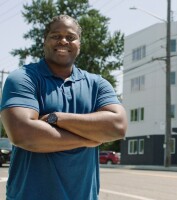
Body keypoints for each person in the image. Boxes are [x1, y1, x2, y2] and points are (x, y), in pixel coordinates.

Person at [0, 15, 127, 200]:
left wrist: (56, 118)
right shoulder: (23, 78)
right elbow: (23, 134)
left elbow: (118, 127)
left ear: (79, 44)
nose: (63, 41)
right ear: (44, 41)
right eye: (55, 36)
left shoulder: (97, 84)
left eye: (70, 37)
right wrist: (89, 139)